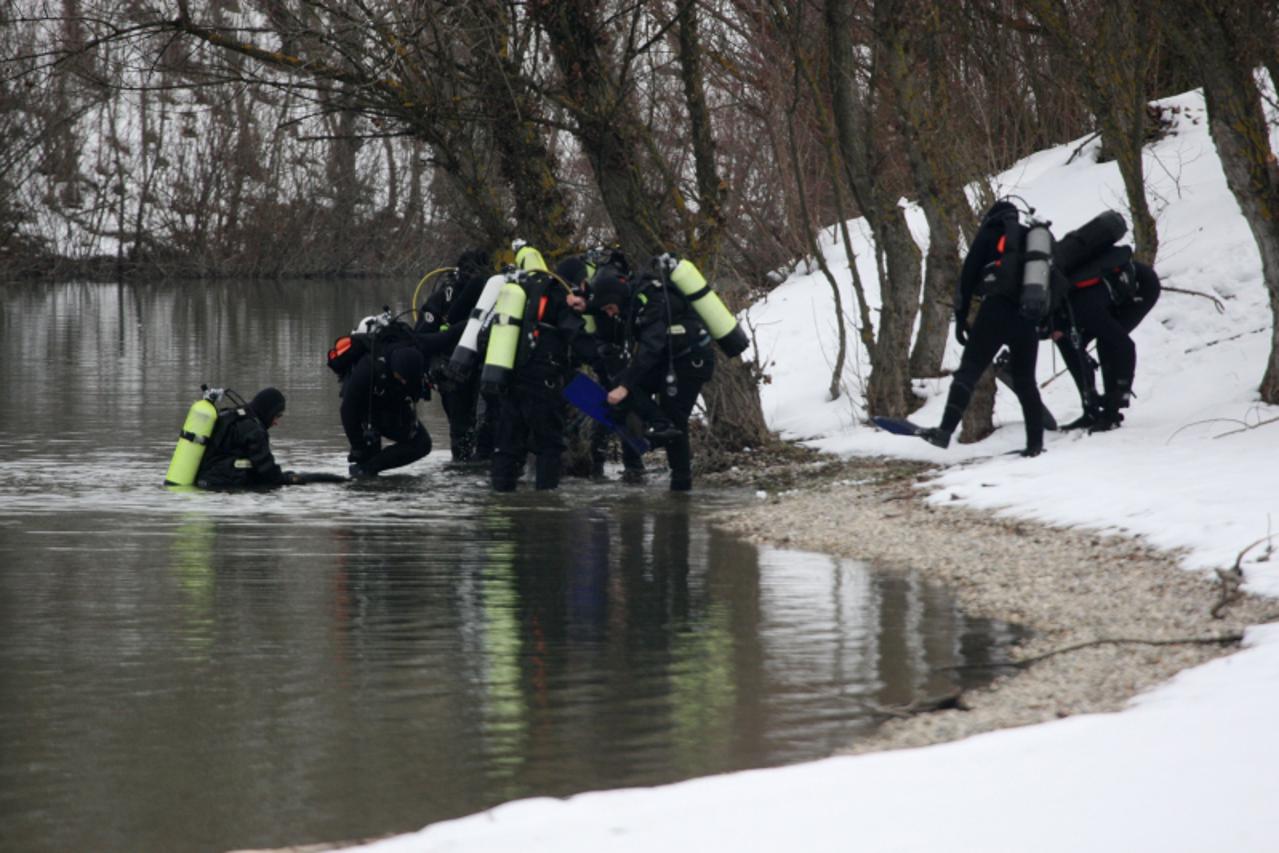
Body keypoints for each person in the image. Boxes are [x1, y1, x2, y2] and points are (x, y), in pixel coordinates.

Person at [918, 200, 1054, 457]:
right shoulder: (1033, 238)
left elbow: (967, 278)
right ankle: (1035, 444)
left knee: (968, 372)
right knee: (1026, 382)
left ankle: (944, 431)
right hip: (1027, 316)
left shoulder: (990, 234)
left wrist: (960, 318)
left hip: (996, 311)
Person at [595, 258, 715, 491]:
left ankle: (681, 486)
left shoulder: (652, 302)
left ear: (616, 299)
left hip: (692, 361)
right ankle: (660, 425)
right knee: (625, 386)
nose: (610, 314)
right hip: (671, 360)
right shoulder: (633, 302)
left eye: (610, 308)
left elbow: (651, 347)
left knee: (674, 418)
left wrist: (626, 385)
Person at [487, 248, 588, 491]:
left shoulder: (531, 292)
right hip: (543, 382)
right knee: (550, 445)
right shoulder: (562, 299)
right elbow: (577, 338)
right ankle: (546, 504)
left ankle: (499, 503)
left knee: (508, 444)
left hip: (511, 376)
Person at [1054, 259, 1162, 431]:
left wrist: (1120, 393)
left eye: (1053, 332)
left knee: (1107, 341)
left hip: (1142, 285)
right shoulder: (1060, 309)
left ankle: (1112, 414)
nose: (1054, 337)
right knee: (1069, 343)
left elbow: (1126, 346)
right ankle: (1090, 411)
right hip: (1103, 294)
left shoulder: (1083, 308)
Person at [418, 249, 492, 461]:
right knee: (470, 429)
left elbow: (420, 338)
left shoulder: (489, 294)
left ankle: (463, 468)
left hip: (469, 372)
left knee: (466, 430)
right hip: (456, 372)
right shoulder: (447, 296)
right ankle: (470, 468)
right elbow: (422, 338)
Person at [341, 346, 432, 477]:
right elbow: (347, 410)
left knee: (422, 444)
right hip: (366, 412)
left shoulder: (416, 369)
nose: (404, 381)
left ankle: (369, 469)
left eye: (407, 380)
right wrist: (357, 446)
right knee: (366, 456)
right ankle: (364, 474)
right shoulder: (368, 369)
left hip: (394, 409)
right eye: (401, 378)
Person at [196, 387, 296, 489]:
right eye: (277, 415)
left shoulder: (232, 416)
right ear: (268, 411)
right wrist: (293, 479)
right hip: (219, 486)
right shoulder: (254, 430)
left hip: (202, 478)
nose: (276, 422)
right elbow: (268, 471)